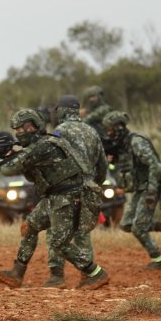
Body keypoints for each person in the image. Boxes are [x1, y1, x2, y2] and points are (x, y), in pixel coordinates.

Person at [0, 109, 110, 290]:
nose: (20, 133)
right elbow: (22, 165)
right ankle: (17, 274)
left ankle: (96, 273)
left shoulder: (45, 146)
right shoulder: (39, 145)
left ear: (36, 126)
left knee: (59, 244)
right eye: (17, 130)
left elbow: (10, 168)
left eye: (24, 128)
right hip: (55, 196)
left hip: (68, 196)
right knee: (30, 227)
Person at [43, 95, 108, 287]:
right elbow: (102, 164)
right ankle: (88, 276)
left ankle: (57, 276)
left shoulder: (59, 131)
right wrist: (94, 183)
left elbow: (51, 161)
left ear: (63, 110)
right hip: (89, 188)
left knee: (55, 231)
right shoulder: (92, 132)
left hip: (66, 189)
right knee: (83, 232)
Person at [102, 111, 161, 269]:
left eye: (110, 129)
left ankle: (158, 261)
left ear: (118, 127)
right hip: (140, 189)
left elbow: (155, 166)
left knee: (138, 228)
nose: (109, 133)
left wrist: (151, 191)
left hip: (150, 187)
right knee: (126, 224)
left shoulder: (136, 142)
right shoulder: (123, 145)